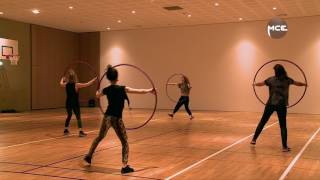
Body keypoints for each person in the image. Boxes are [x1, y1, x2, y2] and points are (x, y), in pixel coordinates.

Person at [84, 65, 155, 174]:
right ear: (117, 78)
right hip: (117, 119)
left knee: (100, 137)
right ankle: (124, 166)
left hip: (107, 117)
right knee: (125, 142)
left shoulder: (106, 89)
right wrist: (150, 90)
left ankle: (89, 156)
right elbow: (138, 91)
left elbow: (97, 96)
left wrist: (97, 89)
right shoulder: (122, 88)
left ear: (108, 78)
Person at [251, 64, 307, 152]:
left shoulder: (271, 80)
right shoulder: (287, 80)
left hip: (270, 104)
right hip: (281, 105)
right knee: (283, 126)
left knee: (263, 121)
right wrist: (304, 84)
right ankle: (284, 147)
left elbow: (261, 84)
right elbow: (297, 83)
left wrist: (254, 84)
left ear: (276, 72)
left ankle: (253, 140)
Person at [60, 69, 97, 137]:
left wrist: (62, 78)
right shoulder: (76, 85)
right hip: (75, 103)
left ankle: (65, 130)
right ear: (75, 77)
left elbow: (61, 84)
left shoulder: (66, 84)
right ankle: (80, 132)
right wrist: (94, 79)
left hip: (68, 102)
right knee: (78, 117)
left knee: (69, 115)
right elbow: (87, 84)